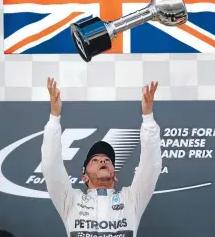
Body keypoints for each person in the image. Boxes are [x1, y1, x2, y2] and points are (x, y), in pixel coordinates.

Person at [41, 77, 162, 237]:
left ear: (115, 176)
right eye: (95, 160)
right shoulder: (71, 201)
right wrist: (54, 118)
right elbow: (50, 165)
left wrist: (148, 120)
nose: (103, 161)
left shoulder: (131, 200)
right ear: (84, 177)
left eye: (107, 160)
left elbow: (150, 166)